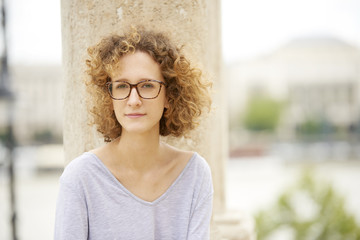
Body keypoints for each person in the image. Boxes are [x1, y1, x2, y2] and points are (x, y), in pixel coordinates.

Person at [54, 26, 213, 240]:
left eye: (147, 85)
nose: (134, 100)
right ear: (109, 97)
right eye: (121, 86)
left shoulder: (195, 175)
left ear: (169, 95)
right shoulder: (80, 178)